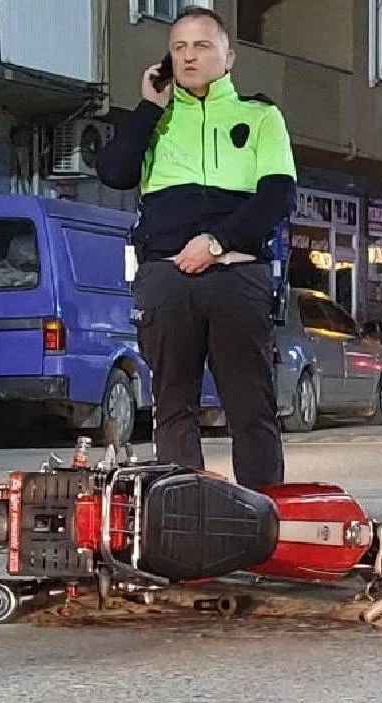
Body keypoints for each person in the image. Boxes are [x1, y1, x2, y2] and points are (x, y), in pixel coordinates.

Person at [95, 6, 297, 490]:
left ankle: (262, 516)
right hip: (166, 276)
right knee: (172, 403)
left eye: (202, 46)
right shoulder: (155, 123)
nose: (189, 56)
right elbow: (114, 173)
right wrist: (148, 107)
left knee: (251, 404)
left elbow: (277, 197)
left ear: (228, 57)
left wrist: (217, 241)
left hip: (235, 274)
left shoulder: (261, 116)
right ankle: (184, 519)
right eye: (179, 47)